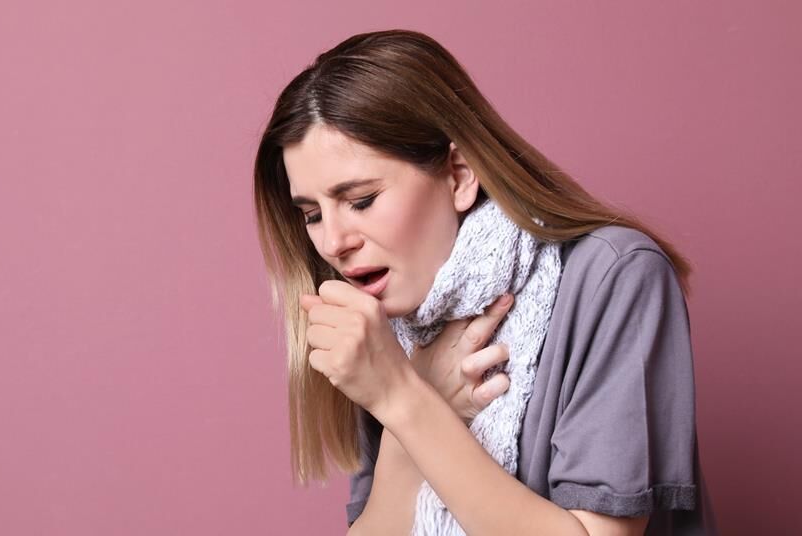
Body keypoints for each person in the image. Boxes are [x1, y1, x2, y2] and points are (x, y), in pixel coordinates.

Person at [252, 29, 716, 535]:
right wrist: (408, 405)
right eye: (312, 214)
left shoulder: (614, 276)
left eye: (361, 201)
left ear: (458, 174)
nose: (334, 242)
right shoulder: (389, 327)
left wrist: (404, 397)